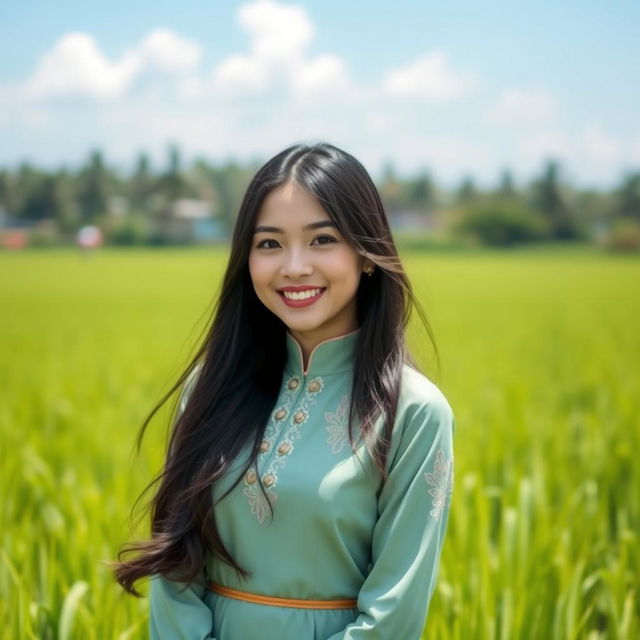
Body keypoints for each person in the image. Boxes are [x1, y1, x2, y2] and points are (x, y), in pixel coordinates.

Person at [114, 142, 455, 639]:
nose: (294, 267)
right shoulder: (210, 387)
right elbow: (178, 565)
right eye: (269, 243)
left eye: (321, 240)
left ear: (365, 254)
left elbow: (394, 614)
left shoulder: (414, 413)